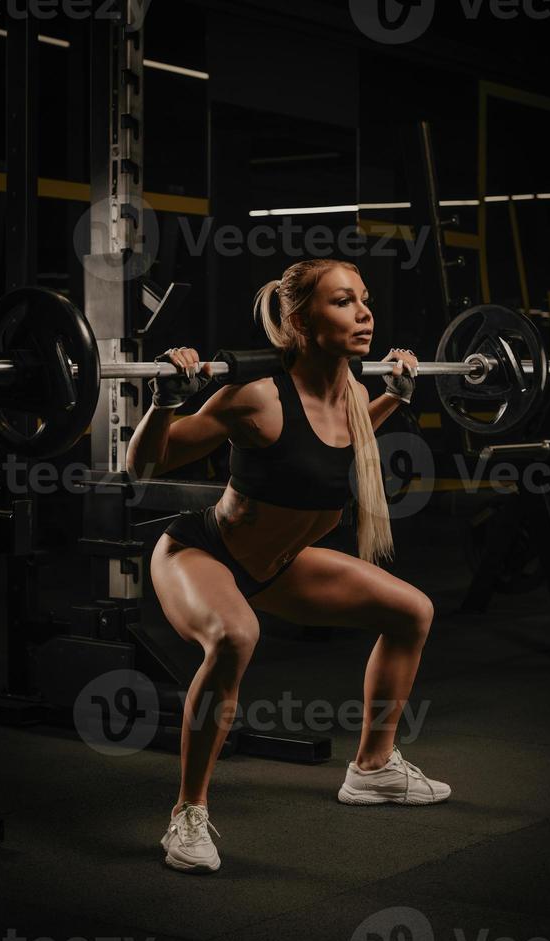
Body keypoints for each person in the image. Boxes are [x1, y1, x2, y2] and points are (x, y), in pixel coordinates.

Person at [127, 258, 450, 875]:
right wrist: (165, 403)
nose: (364, 313)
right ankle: (187, 814)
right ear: (300, 321)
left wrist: (391, 399)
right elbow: (143, 468)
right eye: (342, 302)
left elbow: (336, 446)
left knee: (412, 612)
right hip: (201, 553)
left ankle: (374, 769)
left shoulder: (355, 392)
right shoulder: (255, 397)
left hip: (278, 565)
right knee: (235, 636)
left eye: (364, 299)